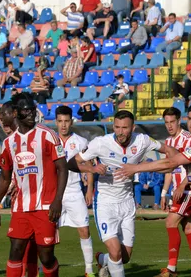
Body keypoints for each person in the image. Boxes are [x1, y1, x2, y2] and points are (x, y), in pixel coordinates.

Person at [114, 103, 191, 277]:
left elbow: (171, 163)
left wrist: (136, 168)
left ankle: (172, 268)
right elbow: (170, 168)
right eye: (190, 119)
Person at [67, 110, 167, 277]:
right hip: (106, 204)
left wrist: (176, 161)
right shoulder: (100, 143)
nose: (120, 132)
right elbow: (72, 163)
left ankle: (102, 260)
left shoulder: (142, 141)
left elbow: (168, 151)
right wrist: (92, 168)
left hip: (127, 202)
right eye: (117, 127)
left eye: (125, 128)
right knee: (116, 252)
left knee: (124, 257)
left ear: (133, 128)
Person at [0, 92, 68, 277]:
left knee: (46, 256)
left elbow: (63, 169)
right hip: (20, 207)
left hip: (46, 206)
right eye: (26, 110)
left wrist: (57, 200)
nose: (31, 114)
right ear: (16, 113)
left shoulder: (48, 136)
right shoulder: (9, 143)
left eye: (33, 110)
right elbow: (4, 177)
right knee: (16, 250)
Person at [153, 107, 191, 277]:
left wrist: (182, 185)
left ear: (179, 120)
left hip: (189, 189)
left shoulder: (188, 138)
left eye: (172, 122)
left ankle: (171, 269)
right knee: (189, 228)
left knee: (170, 222)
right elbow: (169, 169)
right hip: (177, 191)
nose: (169, 125)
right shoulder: (168, 142)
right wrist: (164, 193)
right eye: (166, 122)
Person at [0, 101, 39, 277]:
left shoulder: (33, 136)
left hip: (39, 200)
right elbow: (7, 173)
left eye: (4, 118)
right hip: (19, 200)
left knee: (35, 245)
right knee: (19, 244)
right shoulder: (9, 143)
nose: (3, 124)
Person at [55, 106, 96, 277]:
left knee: (84, 230)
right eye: (60, 121)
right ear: (56, 122)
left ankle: (89, 270)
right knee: (47, 233)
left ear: (71, 121)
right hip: (53, 193)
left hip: (74, 191)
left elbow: (89, 166)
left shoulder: (81, 142)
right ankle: (44, 268)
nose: (63, 125)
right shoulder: (49, 139)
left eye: (66, 121)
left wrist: (89, 189)